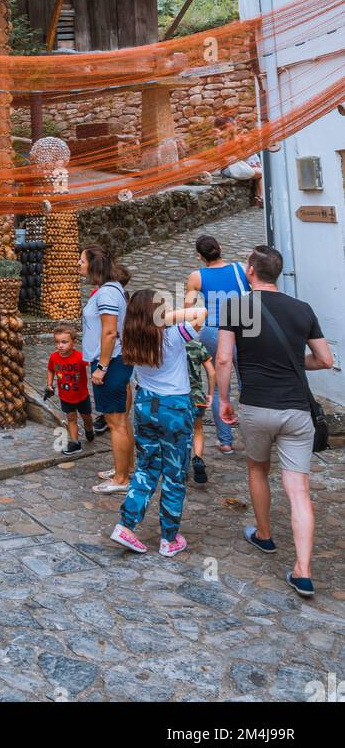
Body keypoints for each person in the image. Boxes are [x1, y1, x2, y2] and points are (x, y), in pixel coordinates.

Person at [217, 245, 333, 598]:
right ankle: (303, 570)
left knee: (257, 469)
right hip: (296, 410)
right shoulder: (302, 309)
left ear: (251, 271)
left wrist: (222, 400)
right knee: (299, 490)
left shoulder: (237, 307)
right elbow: (324, 360)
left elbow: (223, 359)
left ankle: (264, 535)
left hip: (257, 406)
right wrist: (297, 364)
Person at [109, 291, 208, 557]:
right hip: (173, 408)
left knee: (147, 467)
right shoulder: (172, 336)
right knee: (175, 474)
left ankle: (126, 525)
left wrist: (152, 319)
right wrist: (166, 317)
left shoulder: (130, 338)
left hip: (145, 406)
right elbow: (202, 313)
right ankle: (169, 537)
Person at [185, 233, 249, 454]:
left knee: (218, 385)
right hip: (243, 327)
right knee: (247, 382)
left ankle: (225, 440)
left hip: (213, 330)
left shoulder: (197, 276)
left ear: (200, 256)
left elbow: (189, 307)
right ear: (220, 247)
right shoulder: (241, 269)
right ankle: (253, 435)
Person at [79, 245, 133, 493]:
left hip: (110, 363)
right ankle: (124, 468)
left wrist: (101, 366)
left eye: (82, 261)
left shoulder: (107, 295)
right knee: (120, 420)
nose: (79, 265)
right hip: (115, 361)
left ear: (93, 265)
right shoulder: (110, 291)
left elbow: (110, 332)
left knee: (116, 422)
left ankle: (121, 479)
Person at [44, 327, 95, 455]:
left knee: (86, 417)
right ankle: (75, 443)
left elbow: (92, 365)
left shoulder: (80, 357)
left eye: (64, 342)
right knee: (71, 418)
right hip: (65, 396)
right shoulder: (54, 357)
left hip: (82, 396)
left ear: (74, 341)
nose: (60, 345)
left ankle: (89, 429)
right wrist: (49, 384)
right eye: (57, 342)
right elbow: (51, 369)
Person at [185, 335, 215, 484]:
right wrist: (210, 393)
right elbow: (212, 372)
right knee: (197, 429)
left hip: (177, 397)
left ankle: (181, 465)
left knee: (179, 433)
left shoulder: (170, 344)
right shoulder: (197, 345)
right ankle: (198, 458)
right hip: (196, 397)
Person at [215, 116, 263, 206]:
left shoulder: (222, 140)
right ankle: (261, 197)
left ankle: (259, 197)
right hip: (234, 169)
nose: (236, 127)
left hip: (228, 169)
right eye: (234, 124)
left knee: (259, 173)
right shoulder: (231, 141)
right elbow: (240, 158)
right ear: (229, 126)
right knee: (263, 173)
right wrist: (250, 151)